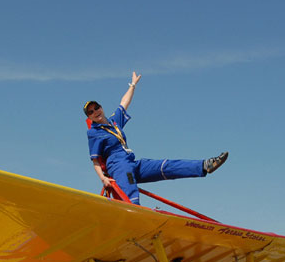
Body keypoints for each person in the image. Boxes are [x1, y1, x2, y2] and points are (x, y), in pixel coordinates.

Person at [85, 72, 228, 205]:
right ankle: (135, 215)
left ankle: (204, 165)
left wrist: (132, 85)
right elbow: (95, 160)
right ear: (89, 117)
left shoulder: (114, 122)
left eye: (96, 108)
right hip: (118, 166)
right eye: (90, 112)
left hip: (131, 162)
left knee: (165, 166)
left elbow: (124, 103)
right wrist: (103, 179)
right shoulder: (94, 133)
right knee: (130, 194)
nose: (95, 112)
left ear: (101, 107)